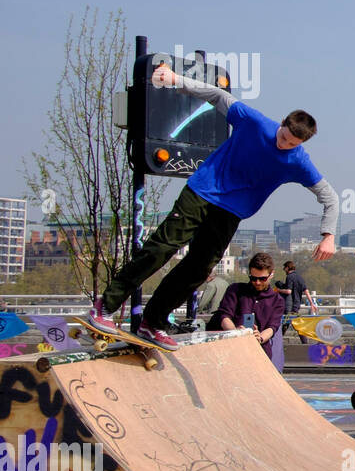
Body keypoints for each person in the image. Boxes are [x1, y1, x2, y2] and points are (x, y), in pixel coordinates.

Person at [88, 61, 337, 350]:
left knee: (198, 269)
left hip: (230, 213)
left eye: (291, 144)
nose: (283, 145)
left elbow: (329, 196)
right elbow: (217, 95)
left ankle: (152, 322)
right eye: (282, 137)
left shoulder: (299, 161)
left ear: (301, 143)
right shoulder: (255, 122)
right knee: (162, 247)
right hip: (203, 191)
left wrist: (328, 234)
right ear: (280, 124)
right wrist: (175, 79)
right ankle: (104, 307)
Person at [210, 252, 286, 362]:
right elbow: (224, 316)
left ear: (271, 274)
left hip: (260, 354)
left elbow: (272, 327)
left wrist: (259, 337)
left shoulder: (277, 300)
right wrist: (236, 333)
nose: (257, 282)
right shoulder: (235, 290)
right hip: (230, 352)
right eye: (253, 278)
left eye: (262, 279)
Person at [275, 260, 316, 343]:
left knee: (287, 322)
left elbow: (288, 291)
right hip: (297, 304)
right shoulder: (300, 277)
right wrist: (312, 303)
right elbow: (306, 291)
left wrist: (278, 290)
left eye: (284, 268)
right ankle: (304, 342)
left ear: (287, 268)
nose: (284, 270)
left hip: (289, 304)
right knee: (293, 322)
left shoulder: (289, 277)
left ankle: (278, 342)